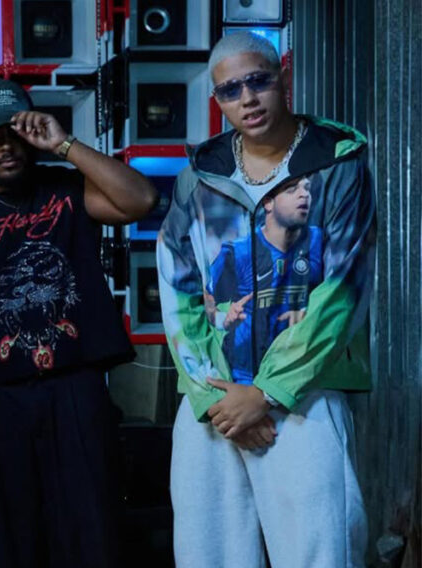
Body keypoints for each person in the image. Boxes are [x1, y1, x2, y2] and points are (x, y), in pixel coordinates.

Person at [157, 31, 375, 567]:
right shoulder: (199, 177)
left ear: (284, 77)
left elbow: (343, 289)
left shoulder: (337, 166)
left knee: (319, 552)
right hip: (213, 402)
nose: (248, 99)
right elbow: (178, 287)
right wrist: (212, 394)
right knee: (208, 555)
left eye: (258, 81)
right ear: (218, 100)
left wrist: (267, 392)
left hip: (305, 396)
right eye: (231, 90)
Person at [0, 78, 157, 568]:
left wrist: (64, 144)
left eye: (16, 132)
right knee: (7, 546)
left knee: (91, 538)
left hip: (74, 388)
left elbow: (141, 200)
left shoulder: (69, 191)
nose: (7, 146)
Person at [207, 173, 324, 384]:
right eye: (292, 189)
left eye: (307, 188)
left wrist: (310, 314)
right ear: (268, 202)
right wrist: (223, 318)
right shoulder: (239, 253)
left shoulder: (319, 242)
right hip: (246, 376)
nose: (304, 195)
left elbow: (339, 296)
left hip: (302, 373)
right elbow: (206, 300)